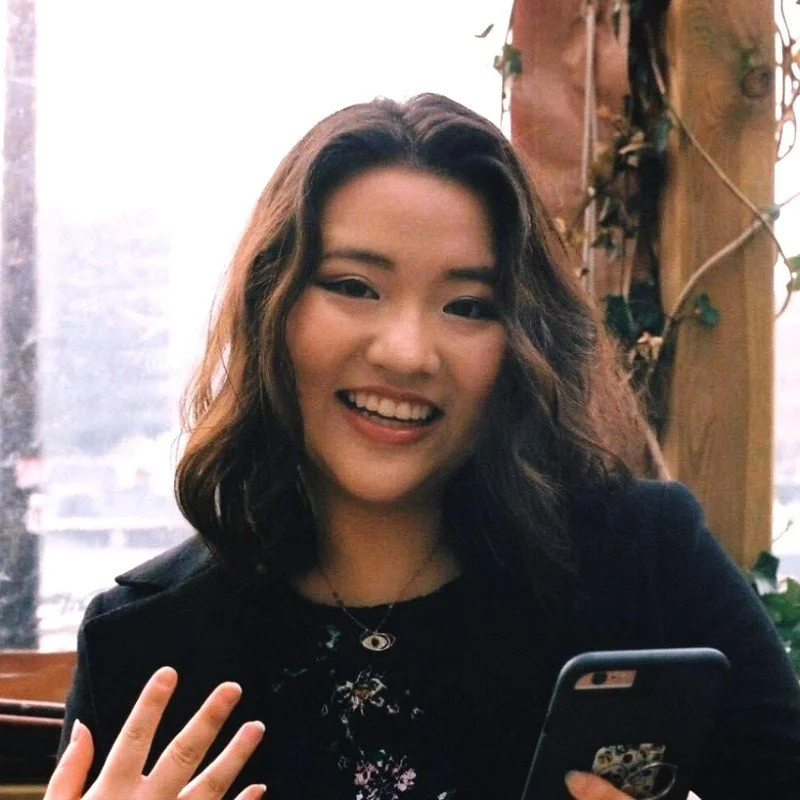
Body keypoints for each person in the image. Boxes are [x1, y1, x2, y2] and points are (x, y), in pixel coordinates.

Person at [46, 94, 800, 800]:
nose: (407, 353)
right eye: (354, 287)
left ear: (524, 340)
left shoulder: (645, 564)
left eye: (468, 305)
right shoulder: (142, 638)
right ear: (270, 305)